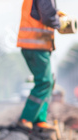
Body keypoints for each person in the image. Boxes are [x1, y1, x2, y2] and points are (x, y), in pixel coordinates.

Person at [16, 0, 61, 132]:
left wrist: (56, 14)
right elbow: (48, 16)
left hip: (34, 44)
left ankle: (39, 119)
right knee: (45, 82)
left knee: (47, 81)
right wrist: (59, 22)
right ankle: (26, 118)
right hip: (37, 45)